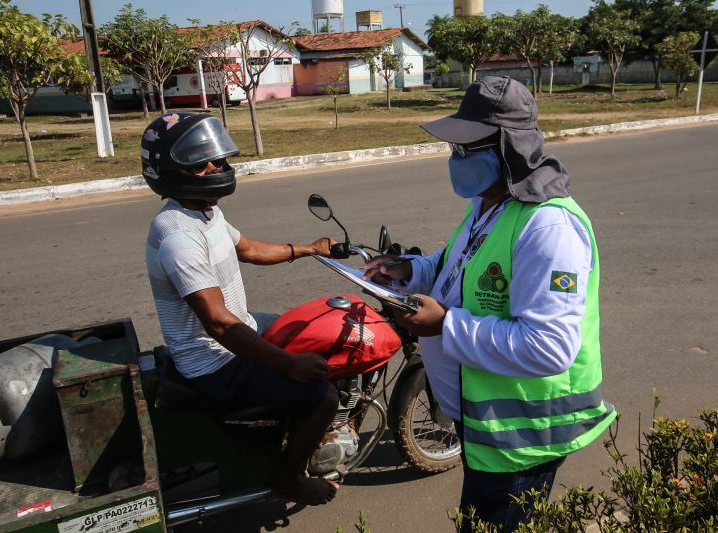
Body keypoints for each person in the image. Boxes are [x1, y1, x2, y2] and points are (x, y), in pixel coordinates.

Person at [364, 77, 617, 531]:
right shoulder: (490, 202)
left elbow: (549, 348)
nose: (456, 158)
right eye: (455, 149)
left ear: (509, 146)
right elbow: (459, 262)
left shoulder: (548, 227)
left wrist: (444, 325)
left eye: (468, 148)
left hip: (522, 437)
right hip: (487, 427)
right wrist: (412, 270)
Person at [141, 112, 339, 506]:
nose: (217, 168)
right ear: (171, 171)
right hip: (211, 362)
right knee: (322, 396)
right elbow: (217, 322)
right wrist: (288, 364)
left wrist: (307, 250)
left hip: (236, 329)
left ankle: (294, 430)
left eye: (217, 159)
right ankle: (289, 478)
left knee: (311, 326)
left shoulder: (204, 210)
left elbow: (246, 248)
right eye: (202, 163)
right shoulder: (179, 235)